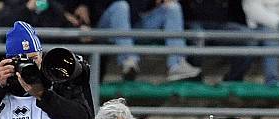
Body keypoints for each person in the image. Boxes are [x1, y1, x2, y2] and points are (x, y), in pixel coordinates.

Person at [61, 0, 201, 81]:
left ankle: (176, 65)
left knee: (172, 7)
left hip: (134, 27)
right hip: (105, 27)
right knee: (121, 6)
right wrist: (83, 5)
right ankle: (129, 62)